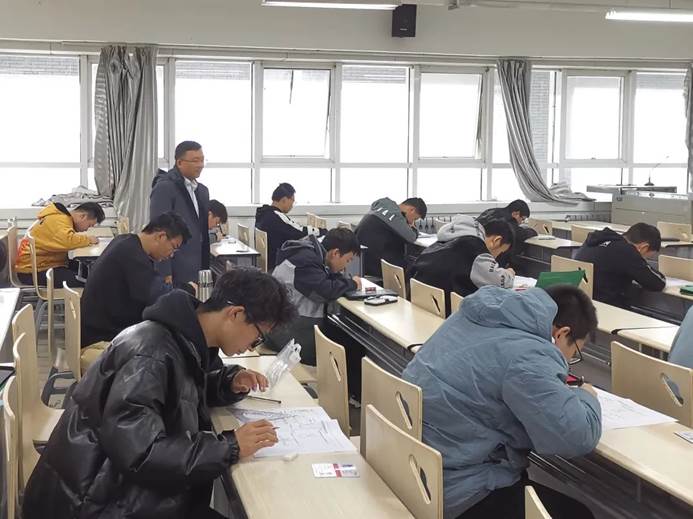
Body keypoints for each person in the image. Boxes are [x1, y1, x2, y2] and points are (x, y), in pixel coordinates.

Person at [22, 268, 297, 519]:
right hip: (96, 502)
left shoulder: (180, 337)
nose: (251, 347)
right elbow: (142, 454)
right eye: (257, 336)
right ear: (235, 314)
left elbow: (173, 394)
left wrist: (226, 383)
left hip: (117, 489)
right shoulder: (150, 355)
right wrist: (231, 446)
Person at [403, 284, 601, 519]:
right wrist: (586, 395)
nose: (570, 360)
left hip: (415, 464)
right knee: (579, 514)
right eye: (575, 351)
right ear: (562, 334)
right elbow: (575, 438)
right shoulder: (530, 355)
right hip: (457, 487)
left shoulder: (470, 316)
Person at [80, 211, 196, 349]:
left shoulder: (126, 241)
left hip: (100, 328)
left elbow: (152, 287)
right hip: (103, 338)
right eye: (173, 247)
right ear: (161, 236)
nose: (171, 255)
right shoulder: (131, 254)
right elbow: (159, 295)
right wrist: (189, 289)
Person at [268, 228, 361, 366]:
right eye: (348, 260)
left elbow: (325, 278)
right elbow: (326, 291)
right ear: (335, 253)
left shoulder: (307, 253)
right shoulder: (304, 262)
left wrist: (342, 280)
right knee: (353, 349)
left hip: (285, 326)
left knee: (346, 340)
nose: (345, 267)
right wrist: (353, 284)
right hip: (290, 337)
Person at [412, 216, 515, 314]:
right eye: (500, 252)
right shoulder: (476, 250)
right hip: (446, 310)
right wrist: (509, 273)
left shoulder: (447, 239)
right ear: (496, 241)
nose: (496, 258)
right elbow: (497, 280)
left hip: (421, 301)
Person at [150, 140, 210, 285]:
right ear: (180, 162)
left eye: (202, 160)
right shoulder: (165, 187)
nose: (200, 165)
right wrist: (164, 271)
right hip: (176, 267)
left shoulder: (202, 190)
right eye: (195, 161)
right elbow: (159, 230)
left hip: (198, 265)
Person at [16, 201, 106, 288]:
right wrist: (88, 239)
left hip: (46, 264)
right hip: (33, 272)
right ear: (82, 216)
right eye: (89, 225)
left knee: (91, 271)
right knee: (89, 283)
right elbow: (67, 241)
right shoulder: (59, 220)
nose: (87, 229)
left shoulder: (61, 218)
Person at [575, 222, 666, 308]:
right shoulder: (626, 251)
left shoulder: (595, 240)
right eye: (646, 257)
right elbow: (657, 283)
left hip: (581, 303)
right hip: (607, 306)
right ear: (644, 247)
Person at [255, 182, 325, 270]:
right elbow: (299, 232)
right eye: (292, 201)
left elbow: (291, 228)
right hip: (277, 262)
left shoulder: (264, 213)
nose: (292, 205)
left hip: (268, 259)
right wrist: (322, 231)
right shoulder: (276, 216)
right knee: (310, 251)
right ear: (284, 200)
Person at [355, 197, 427, 278]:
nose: (411, 222)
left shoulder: (383, 205)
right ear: (412, 210)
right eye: (415, 219)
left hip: (361, 258)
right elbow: (411, 237)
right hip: (373, 264)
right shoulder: (395, 216)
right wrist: (414, 229)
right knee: (417, 267)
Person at [476, 200, 535, 269]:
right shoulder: (507, 221)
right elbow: (522, 234)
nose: (521, 222)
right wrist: (532, 231)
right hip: (486, 257)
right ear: (516, 214)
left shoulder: (491, 211)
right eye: (522, 219)